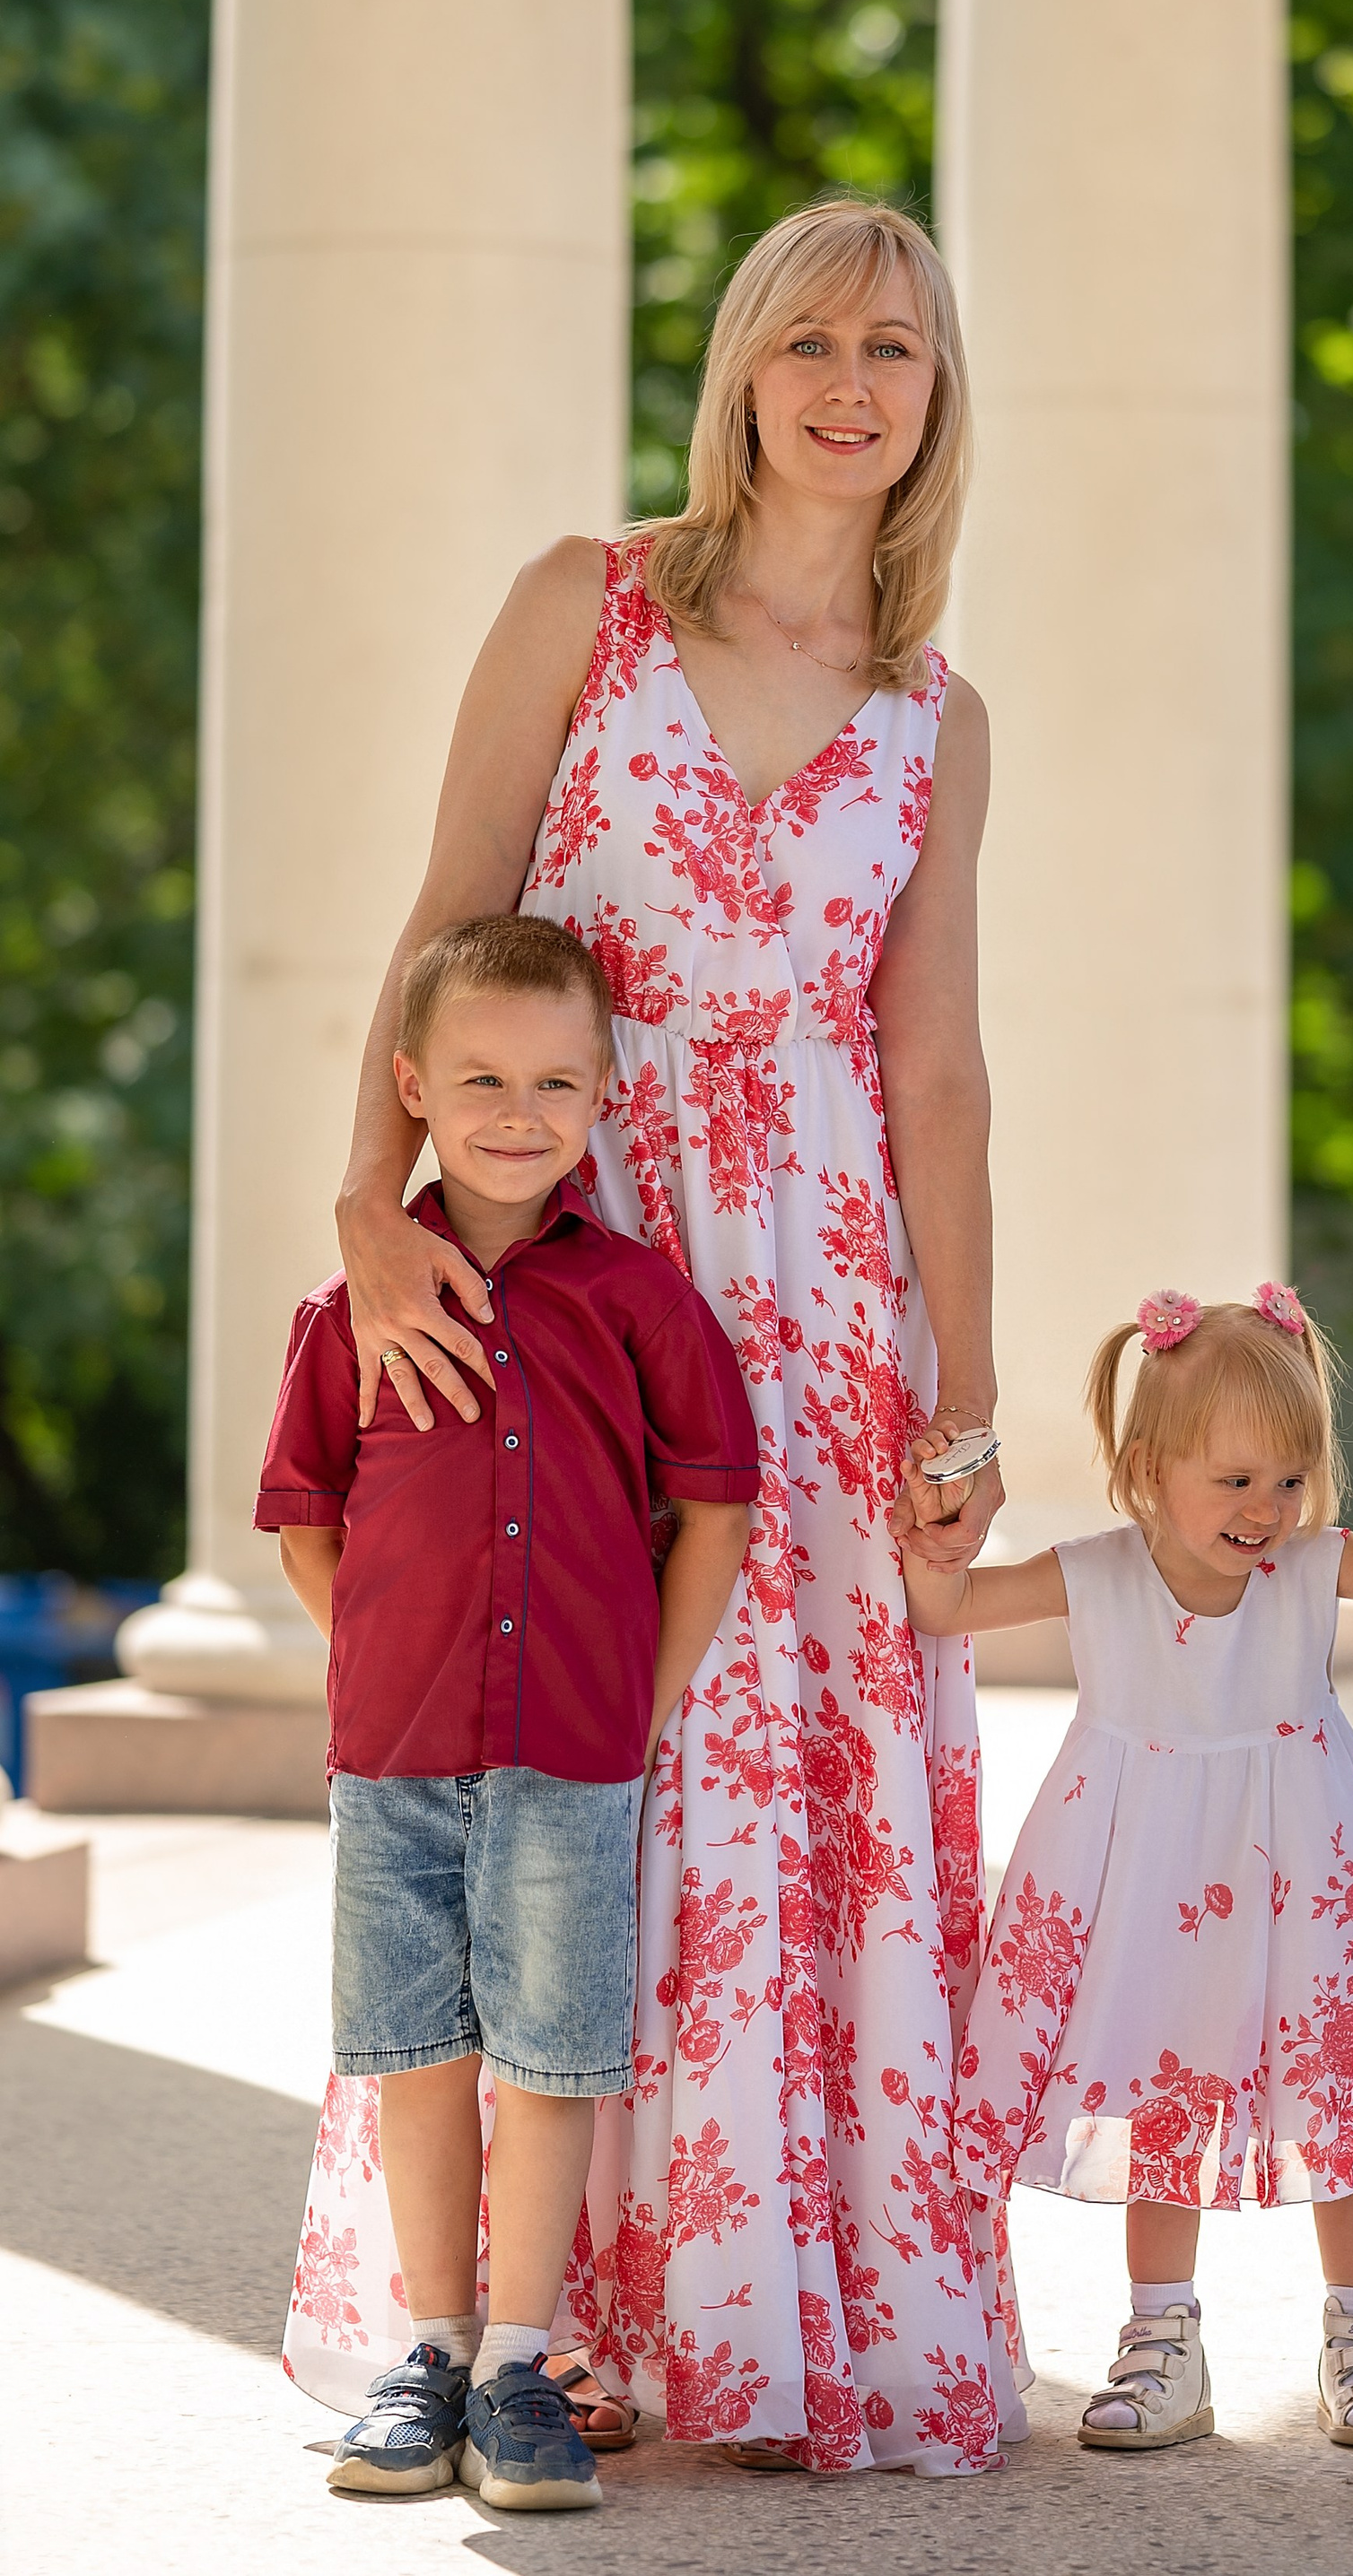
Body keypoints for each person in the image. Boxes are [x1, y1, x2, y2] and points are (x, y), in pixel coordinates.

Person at [276, 196, 1023, 2475]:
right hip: (563, 1247)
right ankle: (514, 2321)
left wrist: (966, 1385)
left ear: (933, 395)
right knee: (550, 1758)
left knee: (787, 1778)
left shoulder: (933, 715)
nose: (847, 383)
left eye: (893, 347)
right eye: (805, 340)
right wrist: (368, 1213)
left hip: (816, 1311)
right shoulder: (584, 607)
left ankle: (770, 2317)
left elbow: (936, 1069)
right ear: (740, 368)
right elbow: (441, 931)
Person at [262, 916, 759, 2509]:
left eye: (556, 1078)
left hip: (572, 1754)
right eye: (479, 1075)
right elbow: (303, 1517)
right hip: (393, 1760)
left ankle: (517, 2366)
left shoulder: (638, 1299)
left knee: (551, 2060)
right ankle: (426, 2350)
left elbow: (719, 1504)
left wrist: (653, 1688)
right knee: (418, 2054)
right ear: (411, 1088)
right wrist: (376, 1670)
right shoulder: (348, 1314)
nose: (517, 1107)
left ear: (605, 1093)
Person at [902, 1285, 1353, 2454]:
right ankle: (1162, 2336)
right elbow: (945, 1606)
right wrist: (941, 1538)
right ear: (1147, 1466)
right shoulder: (1096, 1570)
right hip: (1151, 1893)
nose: (1266, 1508)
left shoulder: (1313, 1566)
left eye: (1288, 1477)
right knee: (1160, 2097)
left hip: (1308, 1883)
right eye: (1233, 1479)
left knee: (1337, 2097)